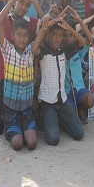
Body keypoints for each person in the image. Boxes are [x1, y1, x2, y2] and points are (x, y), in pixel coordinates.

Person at [0, 0, 37, 151]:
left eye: (25, 35)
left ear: (29, 37)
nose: (21, 38)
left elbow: (43, 23)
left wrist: (34, 1)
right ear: (12, 36)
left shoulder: (31, 51)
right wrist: (12, 1)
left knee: (32, 143)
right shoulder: (7, 49)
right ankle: (12, 126)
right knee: (18, 144)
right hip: (11, 108)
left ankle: (24, 126)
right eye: (18, 35)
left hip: (26, 108)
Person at [33, 17, 86, 146]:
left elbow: (82, 42)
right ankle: (48, 120)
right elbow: (34, 49)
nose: (57, 39)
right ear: (49, 35)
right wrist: (45, 27)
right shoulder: (43, 51)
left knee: (79, 133)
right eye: (54, 35)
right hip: (47, 102)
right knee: (53, 139)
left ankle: (58, 120)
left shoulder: (63, 51)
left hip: (62, 101)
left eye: (60, 35)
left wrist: (69, 27)